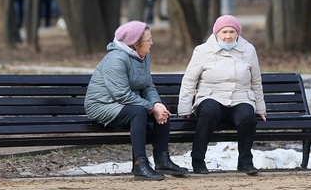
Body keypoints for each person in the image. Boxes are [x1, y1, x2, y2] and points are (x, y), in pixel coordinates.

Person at [84, 21, 188, 180]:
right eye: (149, 40)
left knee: (162, 107)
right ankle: (140, 164)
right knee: (138, 112)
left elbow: (148, 85)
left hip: (126, 103)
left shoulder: (143, 56)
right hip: (103, 105)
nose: (152, 43)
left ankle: (162, 159)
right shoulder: (116, 59)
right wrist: (151, 108)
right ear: (135, 43)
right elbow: (121, 94)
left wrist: (156, 104)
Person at [177, 15, 267, 175]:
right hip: (210, 97)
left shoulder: (248, 50)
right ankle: (198, 160)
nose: (228, 35)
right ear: (216, 33)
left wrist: (260, 108)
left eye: (232, 31)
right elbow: (189, 80)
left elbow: (256, 81)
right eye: (224, 31)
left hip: (240, 97)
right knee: (209, 112)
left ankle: (245, 161)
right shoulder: (203, 50)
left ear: (238, 33)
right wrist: (184, 108)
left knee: (248, 117)